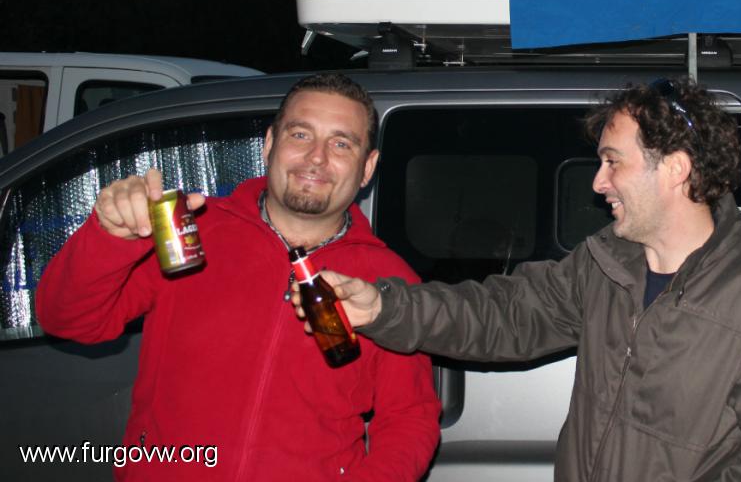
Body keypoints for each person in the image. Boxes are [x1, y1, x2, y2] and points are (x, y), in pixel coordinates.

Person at [303, 77, 741, 480]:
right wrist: (385, 309)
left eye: (613, 162)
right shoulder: (606, 264)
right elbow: (502, 314)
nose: (598, 182)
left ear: (675, 169)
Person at [37, 73, 441, 481]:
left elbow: (410, 418)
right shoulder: (190, 230)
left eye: (341, 144)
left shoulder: (389, 284)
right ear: (269, 143)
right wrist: (111, 237)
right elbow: (69, 320)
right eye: (300, 135)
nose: (317, 158)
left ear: (367, 167)